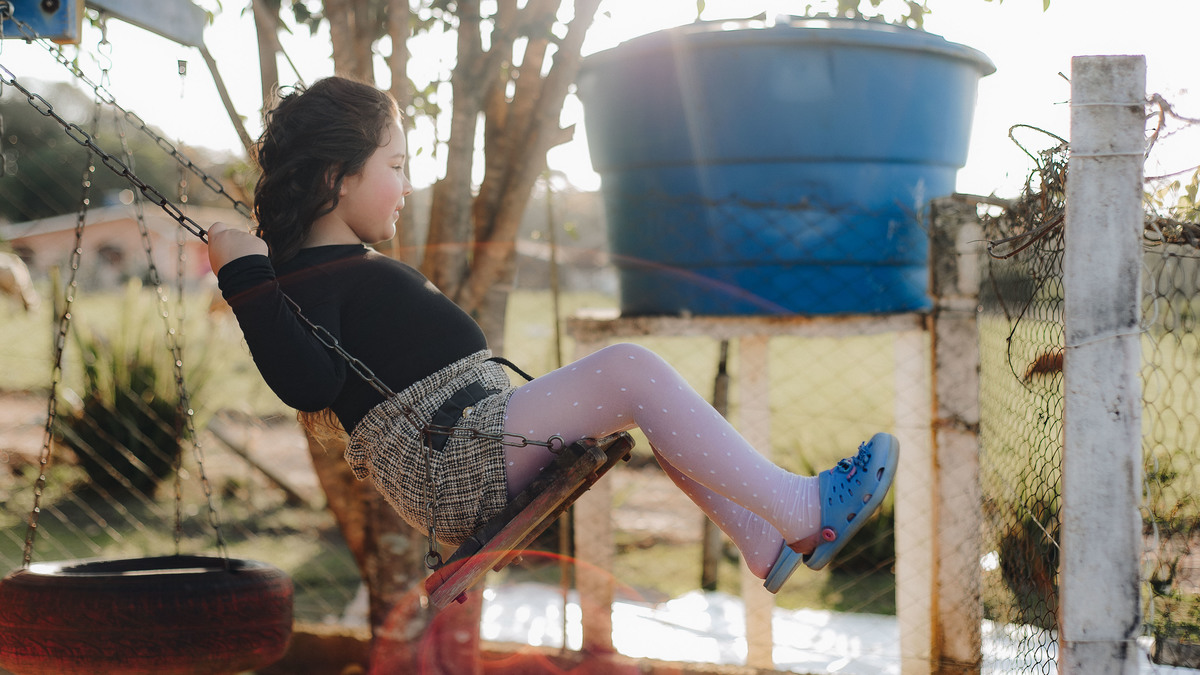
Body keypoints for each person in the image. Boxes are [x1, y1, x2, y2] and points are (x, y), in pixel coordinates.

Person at [207, 76, 899, 594]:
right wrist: (243, 274)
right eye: (395, 166)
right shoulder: (302, 281)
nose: (408, 185)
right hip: (451, 460)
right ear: (336, 177)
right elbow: (308, 382)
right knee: (630, 371)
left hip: (467, 439)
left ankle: (762, 537)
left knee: (642, 400)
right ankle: (802, 510)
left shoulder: (334, 269)